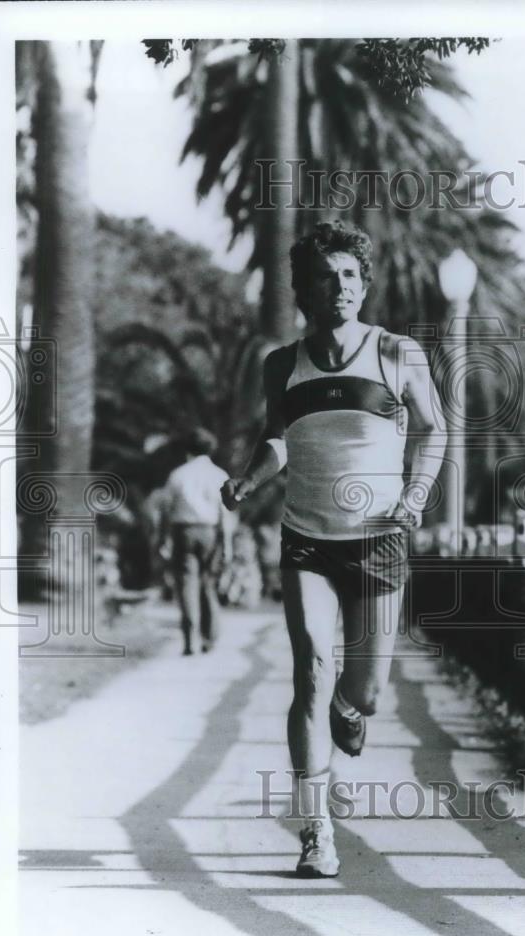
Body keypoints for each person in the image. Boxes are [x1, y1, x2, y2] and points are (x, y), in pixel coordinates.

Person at [221, 221, 445, 877]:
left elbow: (432, 430)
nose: (339, 286)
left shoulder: (396, 353)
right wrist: (246, 480)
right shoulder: (280, 364)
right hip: (307, 541)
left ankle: (350, 710)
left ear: (364, 284)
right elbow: (278, 439)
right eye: (325, 276)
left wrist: (414, 495)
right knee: (311, 671)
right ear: (304, 290)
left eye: (349, 275)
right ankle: (315, 829)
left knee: (366, 692)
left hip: (378, 538)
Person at [160, 428, 234, 655]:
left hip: (184, 532)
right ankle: (209, 638)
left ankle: (190, 637)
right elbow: (226, 513)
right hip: (210, 532)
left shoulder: (178, 474)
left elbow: (166, 509)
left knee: (186, 584)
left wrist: (164, 539)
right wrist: (228, 544)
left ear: (187, 450)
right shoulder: (219, 475)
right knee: (208, 584)